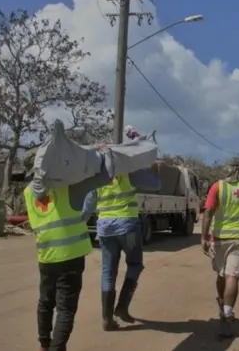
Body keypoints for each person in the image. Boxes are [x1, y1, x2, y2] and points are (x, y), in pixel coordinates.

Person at [24, 144, 112, 351]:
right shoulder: (68, 188)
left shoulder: (27, 192)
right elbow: (104, 176)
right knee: (65, 310)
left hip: (46, 256)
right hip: (70, 257)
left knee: (45, 302)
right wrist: (100, 153)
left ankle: (45, 345)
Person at [83, 170, 156, 330]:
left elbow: (87, 208)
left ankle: (107, 319)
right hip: (128, 229)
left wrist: (78, 228)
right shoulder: (129, 174)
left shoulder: (97, 178)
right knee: (135, 264)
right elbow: (156, 184)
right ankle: (122, 306)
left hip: (105, 230)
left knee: (108, 272)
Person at [201, 157, 239, 338]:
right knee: (231, 275)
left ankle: (224, 310)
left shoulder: (218, 187)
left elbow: (208, 212)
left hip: (219, 238)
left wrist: (204, 237)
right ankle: (227, 310)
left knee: (223, 274)